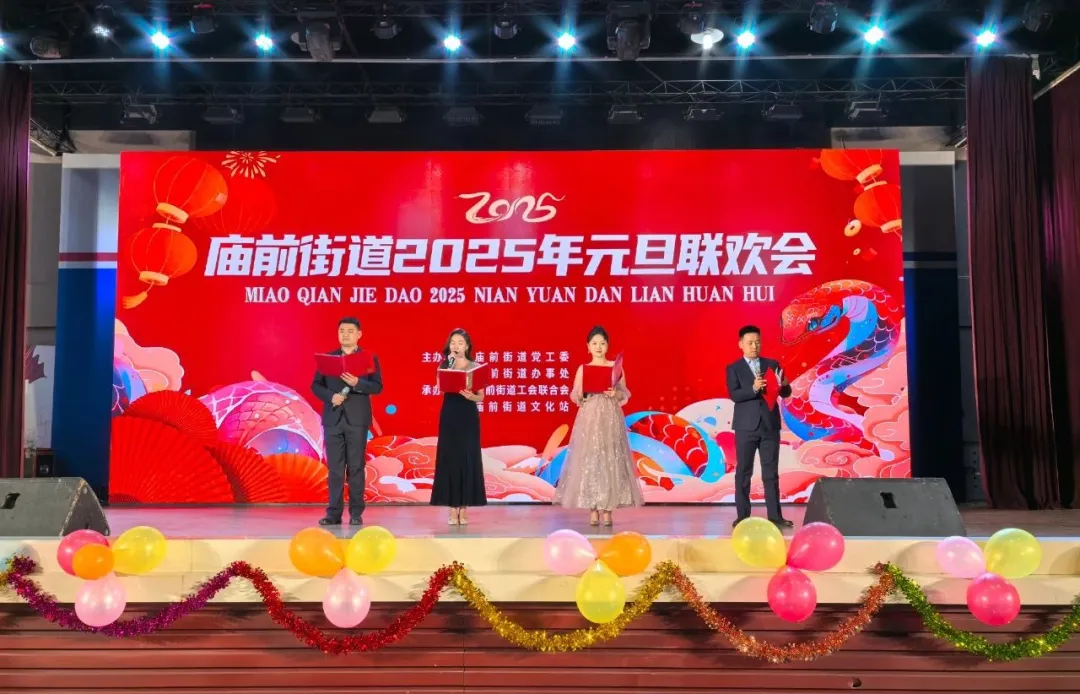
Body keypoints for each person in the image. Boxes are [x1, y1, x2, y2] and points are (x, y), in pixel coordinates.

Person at [555, 326, 644, 527]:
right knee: (591, 461)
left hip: (610, 417)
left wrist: (615, 394)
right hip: (589, 417)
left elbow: (624, 393)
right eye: (594, 343)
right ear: (588, 347)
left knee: (610, 460)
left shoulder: (615, 367)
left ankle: (608, 509)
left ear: (607, 346)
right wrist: (582, 395)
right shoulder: (583, 369)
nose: (598, 347)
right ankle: (593, 509)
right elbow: (575, 394)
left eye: (602, 343)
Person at [311, 317, 383, 526]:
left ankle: (356, 513)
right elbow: (315, 386)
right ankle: (333, 514)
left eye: (350, 331)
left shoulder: (368, 358)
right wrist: (330, 396)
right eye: (342, 330)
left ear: (359, 334)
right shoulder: (328, 359)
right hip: (333, 419)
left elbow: (377, 387)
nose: (345, 334)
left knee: (356, 467)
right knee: (335, 469)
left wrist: (358, 383)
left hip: (357, 420)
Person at [725, 324, 793, 529]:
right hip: (746, 427)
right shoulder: (734, 368)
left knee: (770, 473)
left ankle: (775, 516)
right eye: (750, 343)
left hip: (769, 425)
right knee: (743, 472)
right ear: (741, 344)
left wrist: (785, 385)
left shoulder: (772, 364)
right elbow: (735, 395)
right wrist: (753, 388)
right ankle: (742, 517)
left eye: (757, 342)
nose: (754, 346)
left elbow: (784, 392)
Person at [430, 328, 488, 525]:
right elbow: (439, 387)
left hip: (468, 415)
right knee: (451, 459)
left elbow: (481, 397)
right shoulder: (445, 364)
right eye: (453, 343)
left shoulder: (475, 367)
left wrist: (472, 396)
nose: (456, 346)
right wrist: (449, 367)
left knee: (466, 458)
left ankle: (464, 508)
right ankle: (452, 508)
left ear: (467, 346)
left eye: (460, 343)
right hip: (450, 414)